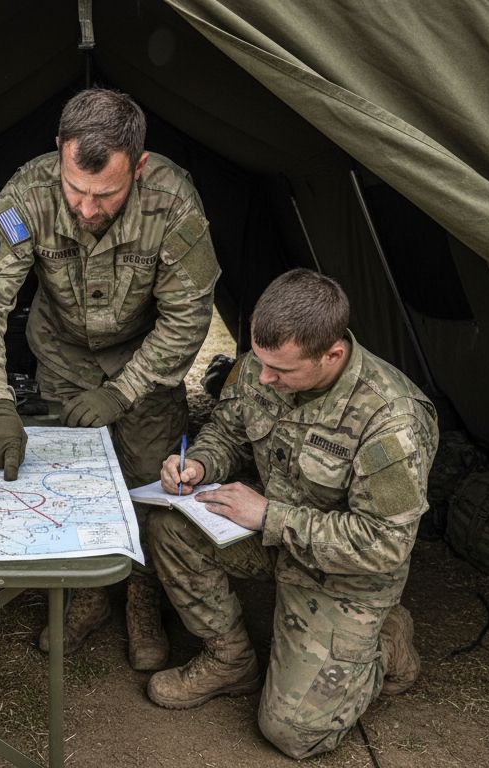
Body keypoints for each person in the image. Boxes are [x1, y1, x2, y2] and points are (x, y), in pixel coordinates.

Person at [0, 88, 220, 670]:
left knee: (151, 484)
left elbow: (188, 316)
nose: (88, 209)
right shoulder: (29, 195)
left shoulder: (173, 202)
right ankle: (87, 594)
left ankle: (143, 599)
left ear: (138, 167)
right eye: (77, 191)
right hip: (63, 357)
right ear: (59, 154)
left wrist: (124, 391)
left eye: (107, 195)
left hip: (144, 363)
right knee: (69, 483)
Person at [149, 269, 438, 758]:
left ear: (333, 355)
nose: (263, 378)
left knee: (294, 734)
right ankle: (230, 661)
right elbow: (228, 430)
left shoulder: (391, 420)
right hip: (272, 536)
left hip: (344, 574)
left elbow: (385, 544)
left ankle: (386, 643)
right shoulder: (263, 364)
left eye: (280, 371)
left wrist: (269, 517)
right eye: (259, 363)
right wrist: (198, 463)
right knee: (169, 525)